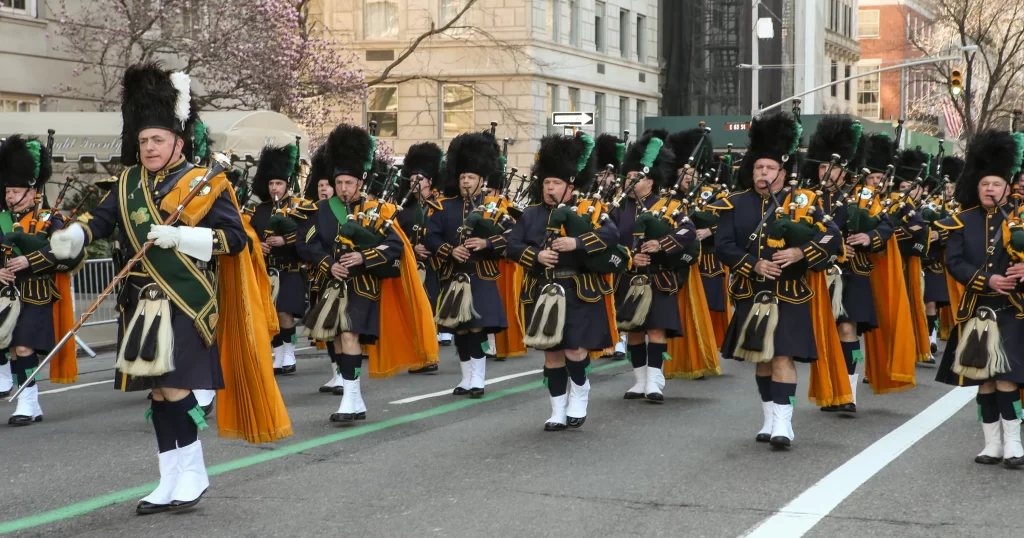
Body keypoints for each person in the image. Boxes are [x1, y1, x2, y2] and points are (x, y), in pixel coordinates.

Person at [44, 62, 292, 514]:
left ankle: (193, 473)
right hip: (139, 305)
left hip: (188, 302)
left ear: (178, 141)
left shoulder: (204, 183)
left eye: (157, 139)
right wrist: (74, 237)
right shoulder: (126, 184)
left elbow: (235, 240)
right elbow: (98, 220)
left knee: (175, 389)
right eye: (143, 141)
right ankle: (169, 476)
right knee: (157, 394)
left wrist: (184, 237)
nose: (149, 147)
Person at [709, 112, 842, 448]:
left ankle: (784, 422)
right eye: (757, 168)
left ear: (783, 172)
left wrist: (801, 253)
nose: (762, 173)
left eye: (769, 168)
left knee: (782, 355)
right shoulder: (733, 204)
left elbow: (833, 237)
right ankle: (769, 417)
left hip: (791, 292)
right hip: (750, 291)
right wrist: (753, 264)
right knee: (763, 357)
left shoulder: (806, 201)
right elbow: (723, 246)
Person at [507, 133, 618, 429]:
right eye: (545, 183)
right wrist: (535, 256)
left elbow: (612, 236)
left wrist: (577, 244)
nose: (549, 188)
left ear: (570, 186)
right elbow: (513, 245)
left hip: (578, 289)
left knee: (574, 349)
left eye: (555, 183)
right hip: (542, 289)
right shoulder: (530, 215)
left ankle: (580, 394)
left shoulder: (590, 210)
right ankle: (557, 409)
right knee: (552, 352)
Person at [935, 129, 1024, 469]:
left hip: (1013, 309)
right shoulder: (961, 221)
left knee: (1007, 376)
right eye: (985, 183)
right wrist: (989, 279)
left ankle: (1014, 442)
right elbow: (954, 262)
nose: (990, 189)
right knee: (983, 379)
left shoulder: (1021, 219)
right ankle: (991, 443)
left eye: (996, 184)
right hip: (977, 308)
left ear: (1007, 186)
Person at [809, 118, 891, 413]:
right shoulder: (806, 197)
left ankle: (849, 392)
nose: (826, 172)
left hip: (853, 272)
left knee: (847, 328)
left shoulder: (863, 196)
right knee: (823, 332)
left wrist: (868, 236)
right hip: (816, 273)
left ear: (845, 170)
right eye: (822, 167)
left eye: (833, 168)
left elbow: (885, 226)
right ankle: (830, 390)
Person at [0, 135, 80, 425]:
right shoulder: (1, 218)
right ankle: (28, 400)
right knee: (10, 346)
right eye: (7, 191)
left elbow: (63, 252)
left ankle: (27, 400)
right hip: (6, 293)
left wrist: (29, 260)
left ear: (32, 191)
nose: (10, 196)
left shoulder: (50, 217)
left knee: (23, 346)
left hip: (36, 292)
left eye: (15, 191)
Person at [425, 132, 509, 398]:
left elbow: (512, 236)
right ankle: (465, 378)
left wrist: (487, 244)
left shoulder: (494, 207)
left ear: (482, 180)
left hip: (481, 273)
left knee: (477, 326)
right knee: (460, 327)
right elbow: (431, 236)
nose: (465, 181)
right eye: (462, 177)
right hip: (454, 274)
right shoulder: (443, 206)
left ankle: (479, 378)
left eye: (470, 177)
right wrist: (451, 250)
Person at [609, 130, 690, 402]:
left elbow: (687, 233)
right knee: (633, 330)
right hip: (628, 277)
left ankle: (655, 380)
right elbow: (606, 242)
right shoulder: (615, 209)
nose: (630, 182)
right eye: (628, 178)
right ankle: (639, 379)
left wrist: (662, 245)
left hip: (659, 276)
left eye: (637, 178)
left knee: (655, 329)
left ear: (650, 182)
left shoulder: (669, 205)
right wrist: (629, 257)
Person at [246, 143, 313, 376]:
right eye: (271, 183)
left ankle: (289, 352)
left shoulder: (300, 207)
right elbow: (248, 235)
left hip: (291, 268)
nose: (274, 188)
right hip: (266, 270)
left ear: (287, 184)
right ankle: (278, 353)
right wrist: (258, 246)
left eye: (279, 183)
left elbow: (309, 232)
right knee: (269, 312)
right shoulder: (258, 210)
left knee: (285, 311)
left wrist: (287, 240)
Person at [396, 142, 444, 374]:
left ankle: (429, 355)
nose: (415, 182)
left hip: (435, 266)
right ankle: (419, 355)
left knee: (429, 310)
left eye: (420, 178)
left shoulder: (439, 207)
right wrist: (413, 249)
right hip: (412, 265)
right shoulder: (403, 209)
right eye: (412, 177)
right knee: (414, 311)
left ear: (430, 181)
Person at [592, 133, 628, 359]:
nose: (602, 179)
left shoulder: (622, 197)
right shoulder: (591, 197)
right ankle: (604, 340)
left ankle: (620, 339)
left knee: (620, 296)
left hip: (619, 250)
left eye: (606, 174)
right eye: (599, 174)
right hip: (596, 250)